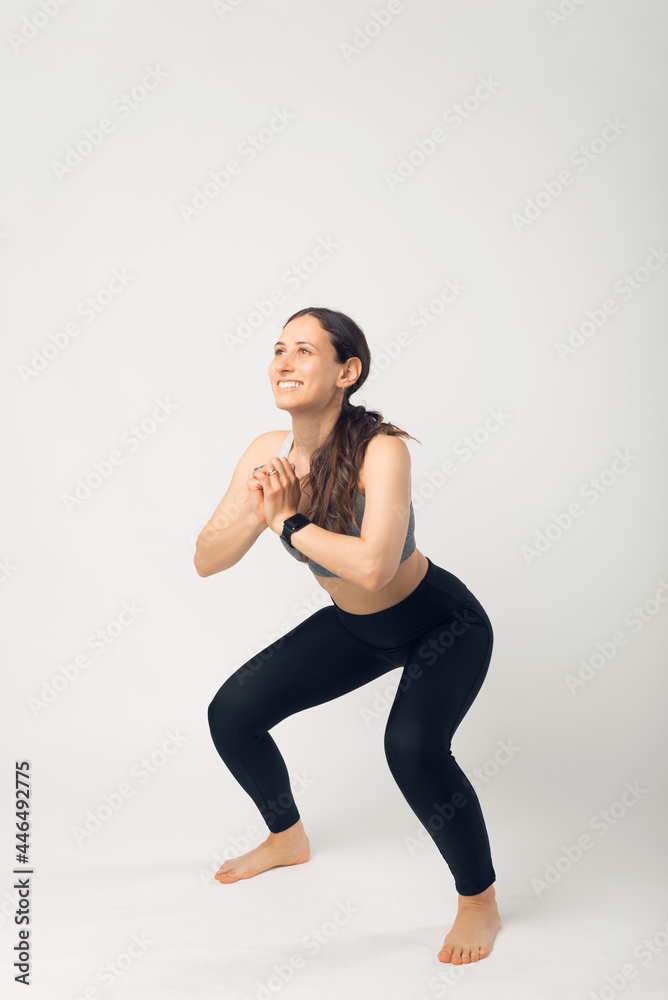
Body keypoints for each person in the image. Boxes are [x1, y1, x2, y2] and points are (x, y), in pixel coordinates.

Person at [195, 306, 501, 965]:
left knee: (414, 749)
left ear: (347, 371)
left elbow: (373, 564)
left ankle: (479, 899)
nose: (283, 360)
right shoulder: (266, 453)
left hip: (441, 625)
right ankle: (287, 839)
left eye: (304, 351)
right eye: (278, 348)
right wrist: (261, 508)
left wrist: (289, 522)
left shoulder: (380, 450)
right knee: (232, 713)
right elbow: (207, 558)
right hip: (356, 629)